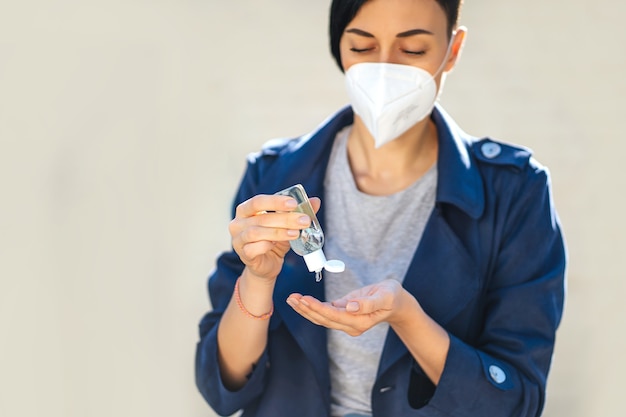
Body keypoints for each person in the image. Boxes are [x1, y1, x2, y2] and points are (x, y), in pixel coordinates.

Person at [195, 0, 566, 416]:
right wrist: (258, 279)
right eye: (362, 48)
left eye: (412, 51)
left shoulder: (514, 192)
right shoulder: (273, 177)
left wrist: (408, 320)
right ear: (338, 48)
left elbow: (517, 402)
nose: (385, 71)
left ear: (453, 49)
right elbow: (221, 387)